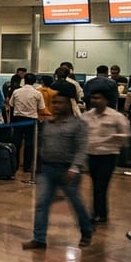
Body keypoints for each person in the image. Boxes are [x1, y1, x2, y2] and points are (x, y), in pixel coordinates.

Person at [23, 94, 93, 250]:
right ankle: (39, 238)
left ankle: (87, 231)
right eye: (54, 103)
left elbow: (81, 149)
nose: (55, 106)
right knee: (42, 204)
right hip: (48, 169)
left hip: (68, 170)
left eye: (60, 103)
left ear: (69, 104)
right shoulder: (48, 124)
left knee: (76, 203)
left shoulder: (78, 125)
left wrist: (75, 168)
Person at [81, 89, 131, 225]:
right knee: (95, 184)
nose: (95, 101)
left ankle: (99, 214)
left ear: (106, 100)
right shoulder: (86, 116)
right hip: (92, 155)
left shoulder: (116, 117)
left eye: (98, 98)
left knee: (101, 185)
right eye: (93, 98)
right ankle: (98, 212)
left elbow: (126, 136)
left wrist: (113, 138)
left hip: (108, 156)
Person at [8, 73, 46, 173]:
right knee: (29, 144)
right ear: (34, 82)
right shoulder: (37, 93)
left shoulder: (16, 91)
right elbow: (41, 108)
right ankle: (27, 166)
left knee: (16, 143)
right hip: (31, 120)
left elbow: (11, 104)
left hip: (18, 120)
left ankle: (14, 165)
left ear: (24, 80)